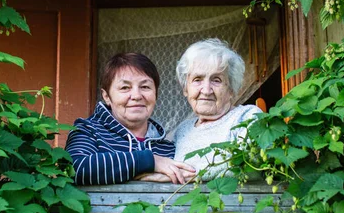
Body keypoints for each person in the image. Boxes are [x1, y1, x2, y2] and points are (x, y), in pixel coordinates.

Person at [65, 53, 195, 185]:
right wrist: (151, 161)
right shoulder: (87, 131)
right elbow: (73, 169)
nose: (136, 96)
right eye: (125, 87)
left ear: (156, 93)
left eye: (145, 87)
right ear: (106, 96)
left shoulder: (169, 147)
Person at [171, 38, 262, 181]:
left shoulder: (247, 117)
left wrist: (185, 175)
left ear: (231, 89)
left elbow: (249, 164)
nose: (206, 90)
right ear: (185, 88)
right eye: (197, 79)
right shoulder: (182, 130)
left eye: (216, 80)